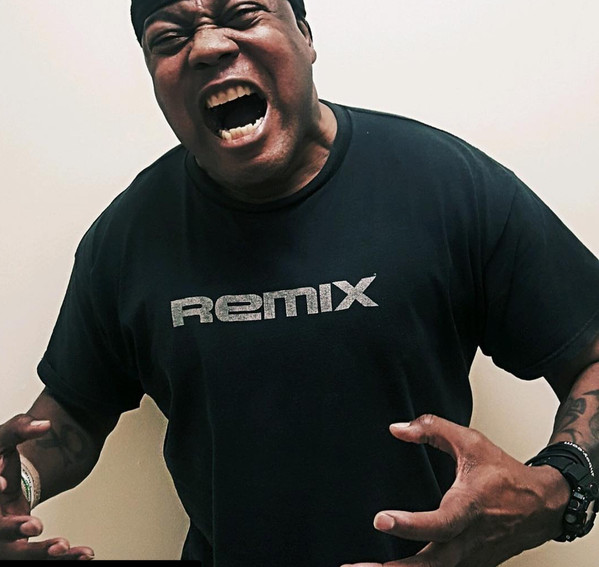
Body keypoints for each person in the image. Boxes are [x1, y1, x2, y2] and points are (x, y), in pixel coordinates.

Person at [1, 0, 598, 564]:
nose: (207, 47)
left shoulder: (446, 186)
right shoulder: (130, 234)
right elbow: (74, 412)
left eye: (243, 13)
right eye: (169, 38)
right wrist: (16, 481)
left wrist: (557, 489)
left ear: (305, 36)